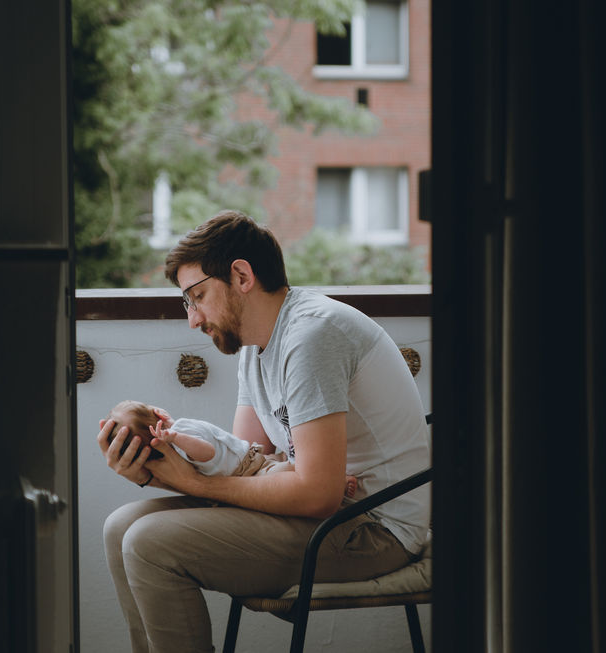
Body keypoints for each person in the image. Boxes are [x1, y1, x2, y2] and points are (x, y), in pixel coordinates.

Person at [98, 210, 430, 653]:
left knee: (148, 542)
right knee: (121, 526)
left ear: (241, 275)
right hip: (328, 516)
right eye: (186, 303)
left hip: (372, 527)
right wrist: (156, 463)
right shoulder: (256, 348)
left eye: (197, 296)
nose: (193, 320)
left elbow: (317, 493)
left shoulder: (312, 337)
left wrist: (195, 482)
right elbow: (249, 459)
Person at [107, 399, 359, 495]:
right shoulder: (180, 438)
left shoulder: (178, 440)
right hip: (251, 474)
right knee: (289, 471)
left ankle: (329, 480)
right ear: (158, 413)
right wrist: (175, 438)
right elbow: (208, 452)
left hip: (253, 461)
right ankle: (336, 481)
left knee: (291, 466)